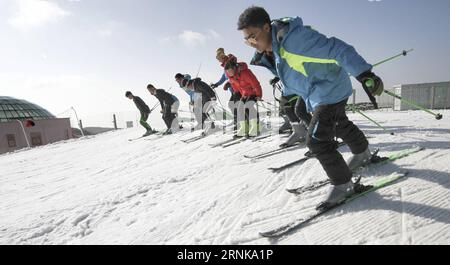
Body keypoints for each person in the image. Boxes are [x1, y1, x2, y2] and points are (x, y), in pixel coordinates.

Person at [237, 6, 384, 208]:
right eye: (247, 40)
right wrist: (286, 94)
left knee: (316, 141)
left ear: (265, 27)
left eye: (253, 37)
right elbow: (297, 72)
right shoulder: (276, 47)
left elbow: (337, 48)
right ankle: (362, 153)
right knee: (327, 118)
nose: (251, 43)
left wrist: (365, 74)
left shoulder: (293, 41)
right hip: (317, 91)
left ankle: (344, 185)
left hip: (329, 90)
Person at [224, 60, 263, 138]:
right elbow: (237, 87)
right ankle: (244, 128)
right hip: (245, 94)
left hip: (253, 93)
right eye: (228, 72)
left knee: (247, 107)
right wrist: (239, 94)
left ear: (235, 68)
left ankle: (256, 127)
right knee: (239, 108)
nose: (229, 73)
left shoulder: (245, 73)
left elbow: (255, 83)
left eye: (230, 70)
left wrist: (259, 95)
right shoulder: (232, 77)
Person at [210, 48, 241, 131]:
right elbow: (224, 77)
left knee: (235, 104)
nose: (218, 61)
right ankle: (238, 120)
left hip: (238, 88)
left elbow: (235, 74)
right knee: (234, 104)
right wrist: (216, 84)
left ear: (222, 57)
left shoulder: (230, 63)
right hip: (233, 89)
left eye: (219, 59)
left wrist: (230, 83)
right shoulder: (225, 66)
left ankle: (240, 121)